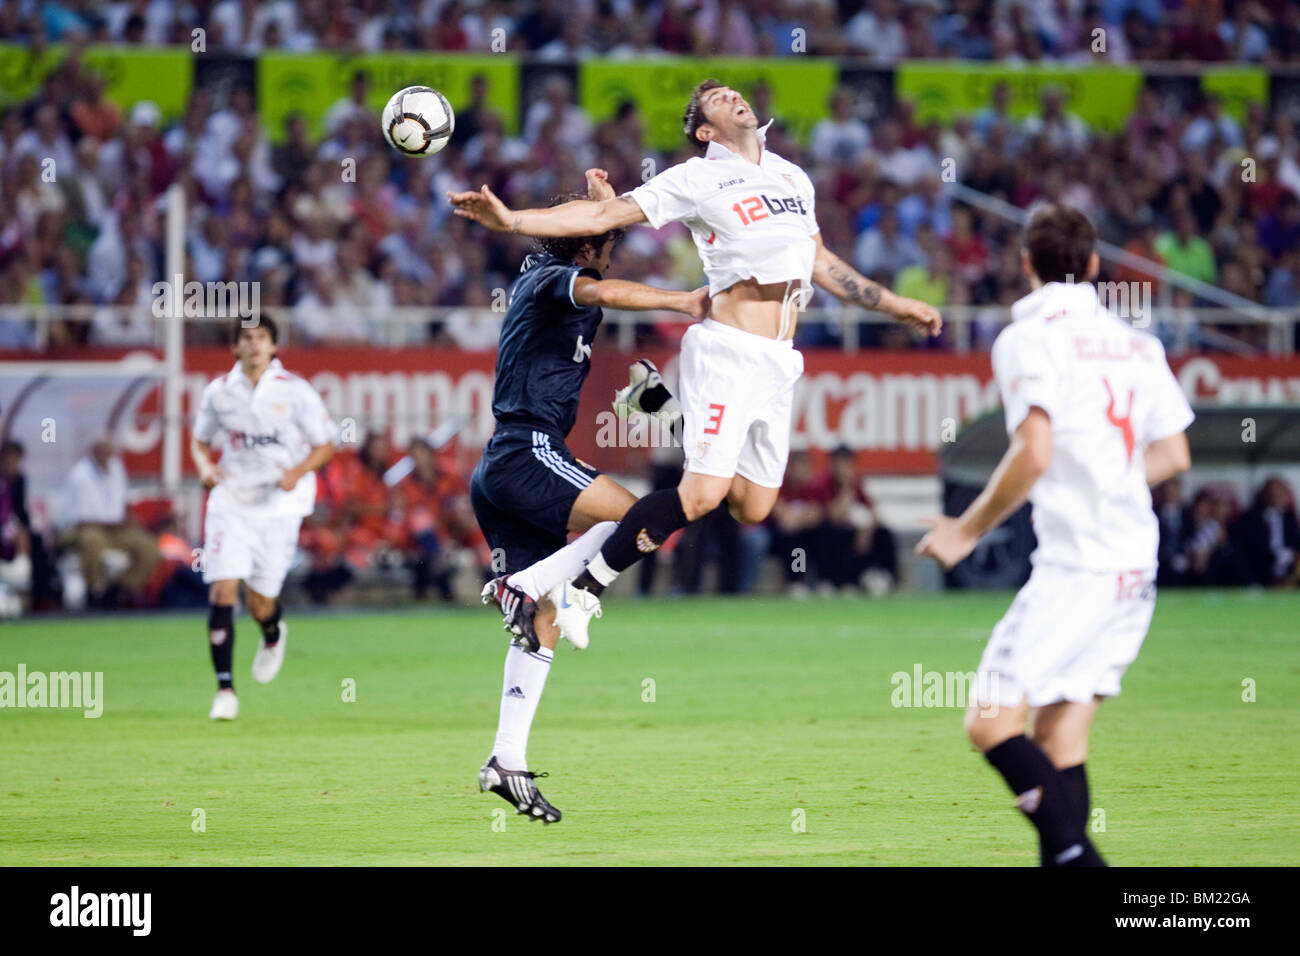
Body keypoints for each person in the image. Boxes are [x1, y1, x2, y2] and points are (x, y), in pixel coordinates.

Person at [450, 80, 941, 643]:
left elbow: (821, 260)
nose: (735, 96)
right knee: (701, 495)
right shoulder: (696, 177)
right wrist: (512, 220)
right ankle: (580, 589)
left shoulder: (791, 176)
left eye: (735, 91)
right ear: (704, 130)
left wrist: (896, 306)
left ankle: (662, 412)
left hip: (779, 360)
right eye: (718, 98)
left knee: (752, 507)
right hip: (727, 351)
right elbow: (602, 215)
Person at [916, 204, 1194, 866]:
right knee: (1061, 735)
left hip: (1077, 567)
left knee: (989, 723)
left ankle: (1083, 860)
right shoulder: (1136, 341)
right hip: (1134, 565)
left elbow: (1033, 452)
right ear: (1094, 265)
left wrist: (967, 529)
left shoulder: (1028, 336)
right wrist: (1112, 482)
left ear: (1026, 264)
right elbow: (1174, 455)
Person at [470, 170, 709, 825]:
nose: (614, 246)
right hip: (527, 450)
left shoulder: (552, 265)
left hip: (505, 463)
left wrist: (605, 200)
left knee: (542, 621)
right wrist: (683, 301)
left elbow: (598, 250)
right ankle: (534, 585)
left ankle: (506, 760)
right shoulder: (554, 276)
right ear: (585, 247)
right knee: (641, 514)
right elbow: (601, 283)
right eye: (607, 239)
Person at [191, 317, 336, 721]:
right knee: (222, 589)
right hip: (232, 500)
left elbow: (325, 445)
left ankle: (273, 633)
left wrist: (296, 471)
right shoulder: (219, 393)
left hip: (278, 505)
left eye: (261, 338)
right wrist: (205, 467)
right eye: (246, 339)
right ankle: (225, 690)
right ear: (235, 347)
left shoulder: (295, 391)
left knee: (259, 603)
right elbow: (200, 441)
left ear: (273, 346)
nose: (253, 345)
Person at [56, 438, 160, 608]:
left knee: (148, 545)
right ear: (94, 453)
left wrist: (133, 522)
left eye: (110, 453)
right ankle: (96, 592)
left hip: (115, 529)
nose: (108, 457)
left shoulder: (116, 468)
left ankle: (124, 589)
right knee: (91, 541)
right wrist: (115, 523)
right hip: (85, 528)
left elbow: (124, 502)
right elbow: (82, 518)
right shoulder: (80, 474)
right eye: (103, 453)